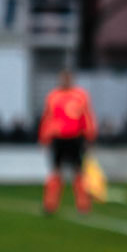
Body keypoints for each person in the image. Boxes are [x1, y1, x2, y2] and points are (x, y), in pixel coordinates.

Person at [39, 69, 97, 215]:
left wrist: (89, 135)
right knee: (56, 172)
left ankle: (83, 205)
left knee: (79, 173)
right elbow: (48, 118)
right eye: (62, 78)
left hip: (75, 138)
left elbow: (86, 116)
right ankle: (50, 204)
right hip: (58, 138)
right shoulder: (53, 96)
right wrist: (44, 137)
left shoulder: (80, 95)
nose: (65, 81)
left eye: (67, 78)